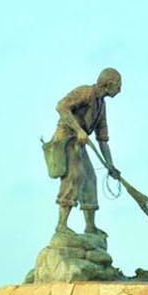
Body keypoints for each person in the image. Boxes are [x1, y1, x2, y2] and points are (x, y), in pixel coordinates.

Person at [48, 68, 123, 235]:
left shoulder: (101, 106)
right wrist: (78, 129)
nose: (120, 90)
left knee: (90, 178)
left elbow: (102, 140)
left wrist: (110, 165)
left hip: (80, 143)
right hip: (66, 138)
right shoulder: (85, 92)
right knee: (76, 175)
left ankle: (90, 227)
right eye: (118, 86)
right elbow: (61, 107)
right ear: (109, 84)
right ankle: (61, 225)